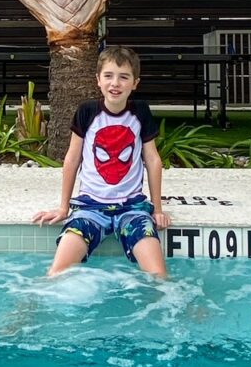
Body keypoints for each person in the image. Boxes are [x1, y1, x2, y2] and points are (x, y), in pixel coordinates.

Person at [31, 46, 172, 278]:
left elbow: (153, 159)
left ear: (135, 83)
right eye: (108, 76)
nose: (115, 83)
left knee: (158, 274)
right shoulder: (87, 112)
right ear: (98, 80)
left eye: (123, 77)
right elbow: (72, 158)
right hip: (89, 208)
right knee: (57, 272)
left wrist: (157, 210)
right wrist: (64, 207)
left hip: (132, 209)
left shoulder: (140, 112)